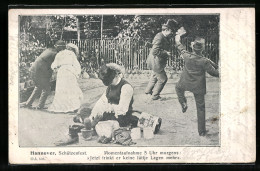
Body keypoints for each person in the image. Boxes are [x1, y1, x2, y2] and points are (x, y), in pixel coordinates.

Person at [174, 31, 219, 136]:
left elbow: (179, 46)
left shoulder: (186, 55)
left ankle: (183, 102)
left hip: (185, 83)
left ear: (192, 47)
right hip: (198, 87)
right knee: (201, 108)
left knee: (177, 88)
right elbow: (214, 73)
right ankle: (201, 131)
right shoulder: (204, 61)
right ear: (202, 49)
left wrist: (178, 37)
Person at [88, 63, 137, 128]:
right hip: (110, 113)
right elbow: (101, 102)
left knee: (105, 122)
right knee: (87, 111)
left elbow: (123, 109)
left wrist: (109, 107)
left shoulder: (126, 87)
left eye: (111, 81)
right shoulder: (110, 87)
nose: (110, 83)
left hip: (122, 116)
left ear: (116, 75)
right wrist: (93, 114)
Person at [20, 40, 66, 109]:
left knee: (38, 87)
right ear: (58, 47)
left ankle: (28, 103)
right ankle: (40, 106)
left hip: (34, 70)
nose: (63, 50)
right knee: (46, 89)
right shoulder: (55, 54)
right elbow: (54, 65)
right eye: (62, 48)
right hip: (39, 71)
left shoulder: (49, 50)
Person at [145, 19, 179, 100]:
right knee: (163, 79)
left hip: (155, 61)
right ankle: (155, 96)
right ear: (166, 30)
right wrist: (165, 53)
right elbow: (155, 51)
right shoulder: (160, 37)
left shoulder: (162, 36)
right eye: (171, 31)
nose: (172, 33)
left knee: (154, 76)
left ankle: (148, 91)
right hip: (156, 62)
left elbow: (155, 47)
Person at [48, 43, 83, 113]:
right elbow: (76, 64)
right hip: (70, 71)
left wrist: (56, 69)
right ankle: (74, 106)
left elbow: (53, 65)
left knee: (62, 89)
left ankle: (62, 106)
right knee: (72, 89)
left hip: (62, 72)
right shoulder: (71, 53)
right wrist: (77, 73)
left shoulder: (59, 54)